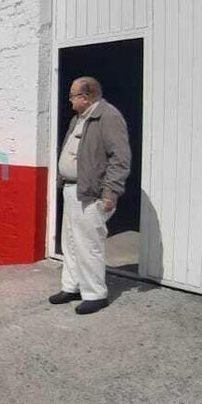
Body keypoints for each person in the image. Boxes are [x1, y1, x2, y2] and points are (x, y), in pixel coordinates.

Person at [49, 76, 131, 315]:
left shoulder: (109, 117)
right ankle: (72, 286)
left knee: (88, 244)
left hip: (92, 193)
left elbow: (120, 158)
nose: (70, 100)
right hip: (72, 189)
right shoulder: (78, 118)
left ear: (85, 97)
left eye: (72, 95)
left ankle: (95, 294)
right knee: (71, 242)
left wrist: (111, 192)